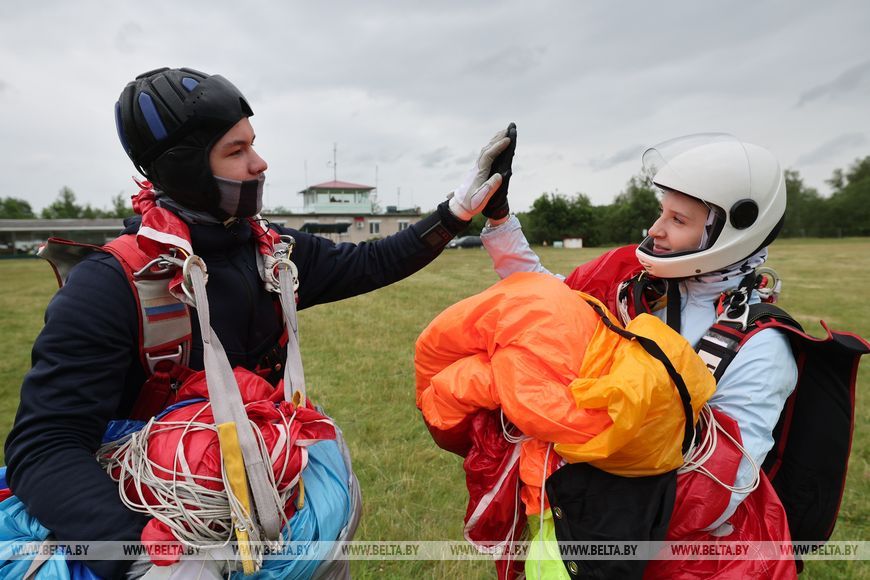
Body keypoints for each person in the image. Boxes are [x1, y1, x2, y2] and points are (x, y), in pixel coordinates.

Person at [3, 66, 512, 579]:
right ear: (185, 168)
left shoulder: (271, 253)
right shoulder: (112, 286)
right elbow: (44, 447)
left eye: (253, 143)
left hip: (278, 511)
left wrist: (455, 212)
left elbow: (370, 261)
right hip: (171, 529)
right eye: (236, 150)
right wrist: (140, 558)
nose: (259, 162)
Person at [480, 133, 799, 570]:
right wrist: (500, 221)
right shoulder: (636, 285)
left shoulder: (759, 346)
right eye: (661, 212)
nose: (655, 230)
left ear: (731, 231)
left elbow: (720, 490)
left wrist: (575, 476)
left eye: (678, 220)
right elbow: (547, 300)